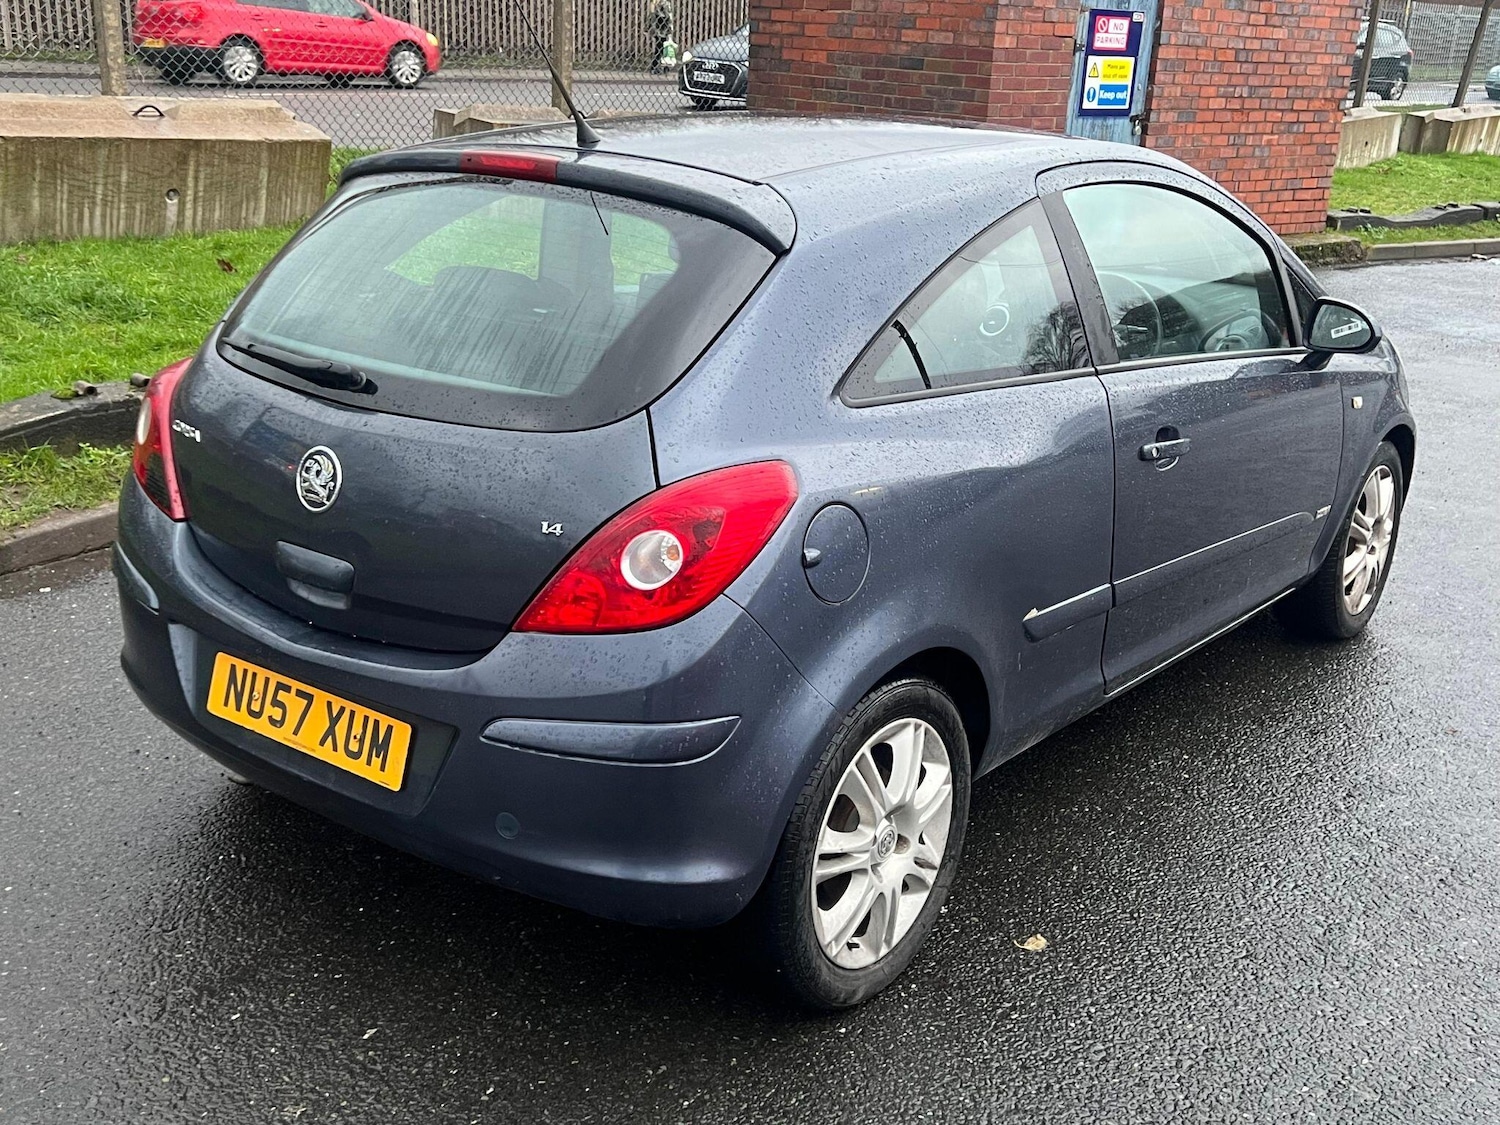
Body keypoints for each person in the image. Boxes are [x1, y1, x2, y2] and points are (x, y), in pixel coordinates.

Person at [647, 0, 676, 74]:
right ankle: (657, 66)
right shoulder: (664, 3)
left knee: (659, 48)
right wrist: (670, 28)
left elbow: (652, 17)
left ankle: (657, 66)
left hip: (657, 28)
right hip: (663, 28)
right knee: (662, 48)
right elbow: (668, 16)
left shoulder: (654, 3)